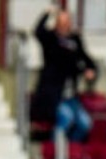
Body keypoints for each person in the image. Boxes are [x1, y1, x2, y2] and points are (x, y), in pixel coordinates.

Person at [30, 7, 97, 140]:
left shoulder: (75, 40)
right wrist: (47, 13)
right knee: (66, 118)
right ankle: (56, 151)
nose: (64, 26)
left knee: (85, 123)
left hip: (71, 95)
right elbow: (38, 31)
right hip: (54, 95)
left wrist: (90, 70)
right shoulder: (50, 38)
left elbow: (85, 59)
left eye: (67, 22)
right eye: (61, 22)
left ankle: (71, 151)